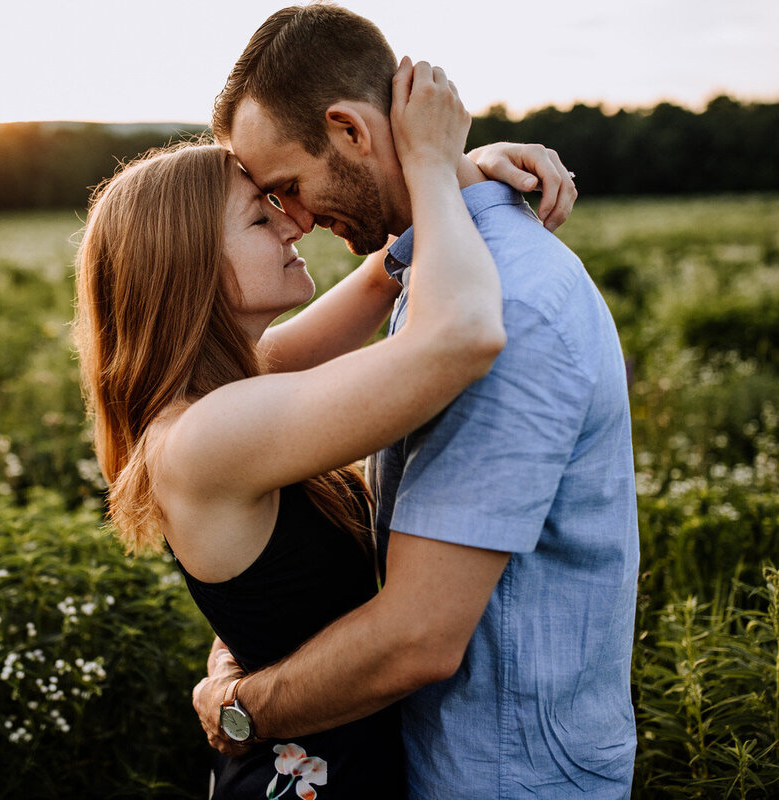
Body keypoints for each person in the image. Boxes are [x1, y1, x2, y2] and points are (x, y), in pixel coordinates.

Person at [75, 58, 575, 798]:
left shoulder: (233, 386)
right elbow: (464, 334)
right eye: (260, 214)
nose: (295, 220)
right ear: (191, 267)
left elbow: (384, 271)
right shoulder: (207, 434)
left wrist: (469, 174)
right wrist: (434, 163)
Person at [191, 4, 639, 799]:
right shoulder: (439, 276)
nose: (294, 222)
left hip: (501, 776)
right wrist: (448, 178)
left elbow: (421, 639)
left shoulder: (506, 307)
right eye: (267, 207)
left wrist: (241, 708)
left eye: (288, 188)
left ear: (352, 131)